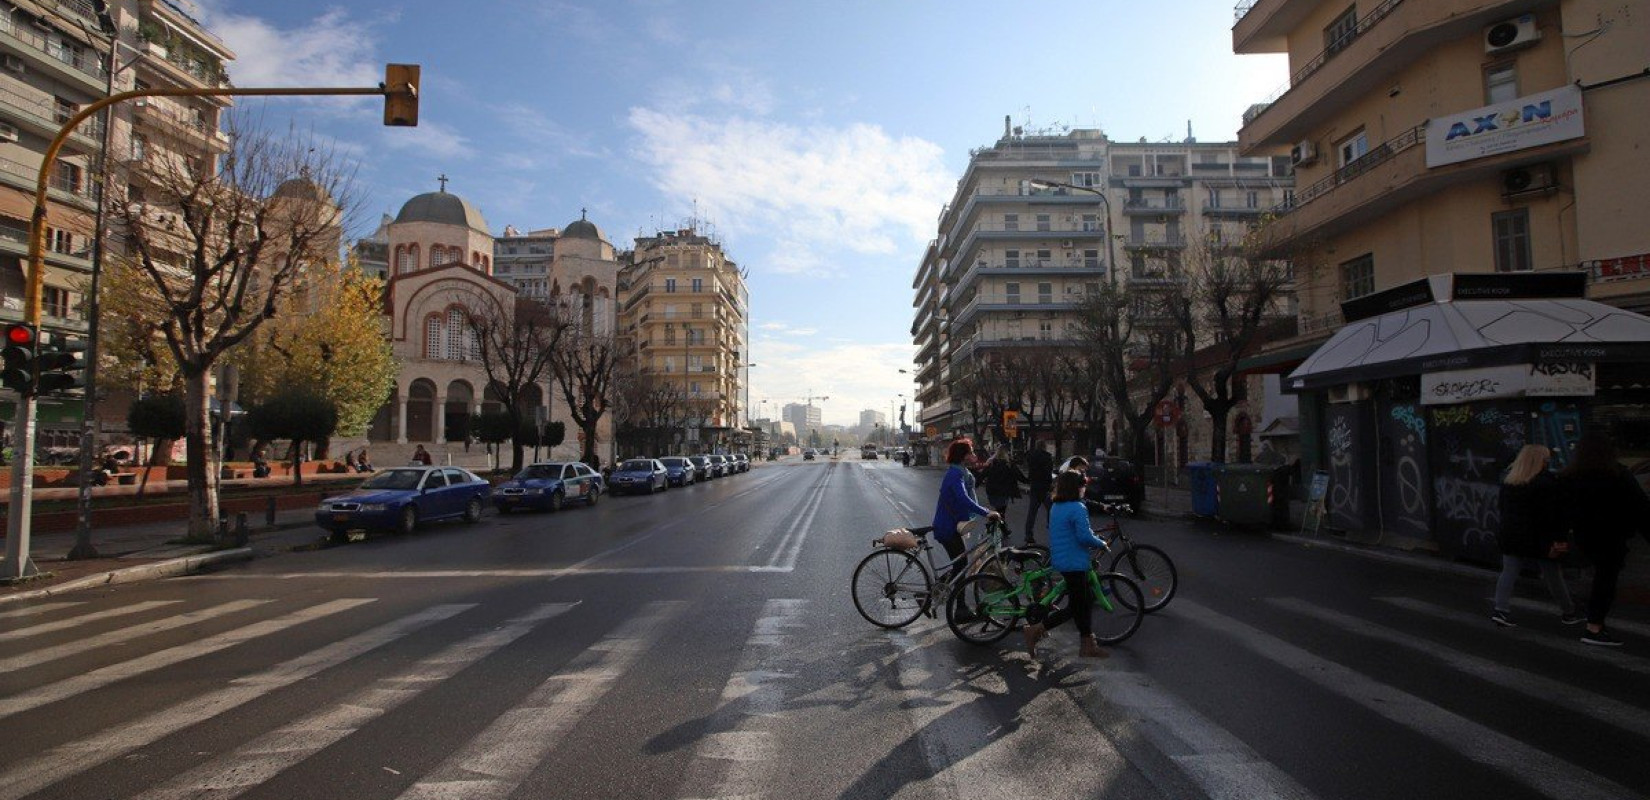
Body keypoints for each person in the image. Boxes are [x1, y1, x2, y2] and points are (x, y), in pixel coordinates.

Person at [1559, 432, 1650, 646]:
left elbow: (1559, 510)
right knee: (1606, 579)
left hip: (1583, 535)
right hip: (1612, 535)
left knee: (1597, 577)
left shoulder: (1568, 477)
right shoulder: (1618, 474)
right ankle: (1594, 626)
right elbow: (1641, 509)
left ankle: (1592, 620)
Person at [1022, 470, 1110, 660]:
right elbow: (1083, 536)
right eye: (1083, 485)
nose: (1085, 488)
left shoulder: (1057, 506)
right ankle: (1035, 631)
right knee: (1077, 606)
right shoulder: (1077, 507)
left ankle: (1087, 644)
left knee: (1084, 602)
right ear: (1077, 487)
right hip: (1074, 562)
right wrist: (1101, 543)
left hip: (1064, 559)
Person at [1491, 444, 1581, 628]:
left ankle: (1500, 609)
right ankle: (1569, 612)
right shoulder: (1547, 483)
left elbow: (1502, 509)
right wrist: (1559, 539)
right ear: (1542, 461)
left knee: (1509, 571)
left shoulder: (1510, 481)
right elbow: (1553, 516)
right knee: (1552, 574)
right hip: (1540, 537)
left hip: (1511, 534)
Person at [932, 438, 1000, 580]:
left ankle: (947, 596)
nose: (973, 455)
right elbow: (963, 499)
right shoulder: (955, 474)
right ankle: (935, 595)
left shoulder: (962, 471)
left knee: (961, 565)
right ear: (963, 456)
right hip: (947, 526)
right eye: (971, 452)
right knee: (961, 566)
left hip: (952, 525)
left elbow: (974, 480)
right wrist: (987, 512)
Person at [980, 445, 1026, 537]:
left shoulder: (992, 463)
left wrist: (975, 484)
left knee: (999, 511)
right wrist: (1028, 480)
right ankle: (999, 528)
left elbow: (983, 475)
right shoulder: (1009, 464)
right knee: (1001, 511)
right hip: (1003, 492)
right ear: (1006, 453)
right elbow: (1019, 475)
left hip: (992, 492)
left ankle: (998, 528)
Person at [1023, 441, 1055, 546]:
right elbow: (1049, 473)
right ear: (1044, 447)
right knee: (1051, 511)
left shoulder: (1031, 456)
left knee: (1032, 512)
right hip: (1045, 488)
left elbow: (1030, 471)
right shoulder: (1047, 457)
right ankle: (1052, 531)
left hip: (1035, 487)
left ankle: (1028, 535)